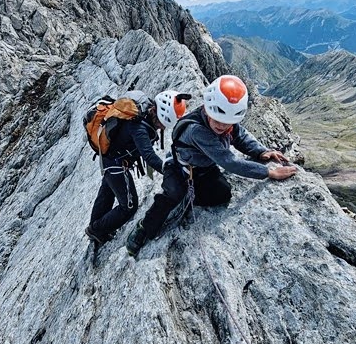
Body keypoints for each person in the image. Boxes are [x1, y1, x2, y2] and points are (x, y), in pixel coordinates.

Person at [126, 75, 297, 257]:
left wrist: (260, 151)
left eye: (227, 123)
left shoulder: (224, 118)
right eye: (218, 121)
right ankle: (144, 227)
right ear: (208, 109)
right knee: (173, 194)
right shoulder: (197, 130)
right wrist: (268, 172)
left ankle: (189, 196)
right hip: (178, 168)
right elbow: (228, 161)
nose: (222, 126)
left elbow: (239, 135)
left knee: (222, 194)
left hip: (203, 167)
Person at [86, 90, 188, 246]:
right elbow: (149, 156)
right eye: (163, 124)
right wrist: (170, 171)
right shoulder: (139, 127)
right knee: (129, 206)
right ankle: (97, 230)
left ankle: (96, 226)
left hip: (110, 159)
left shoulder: (143, 109)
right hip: (116, 163)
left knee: (107, 191)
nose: (162, 128)